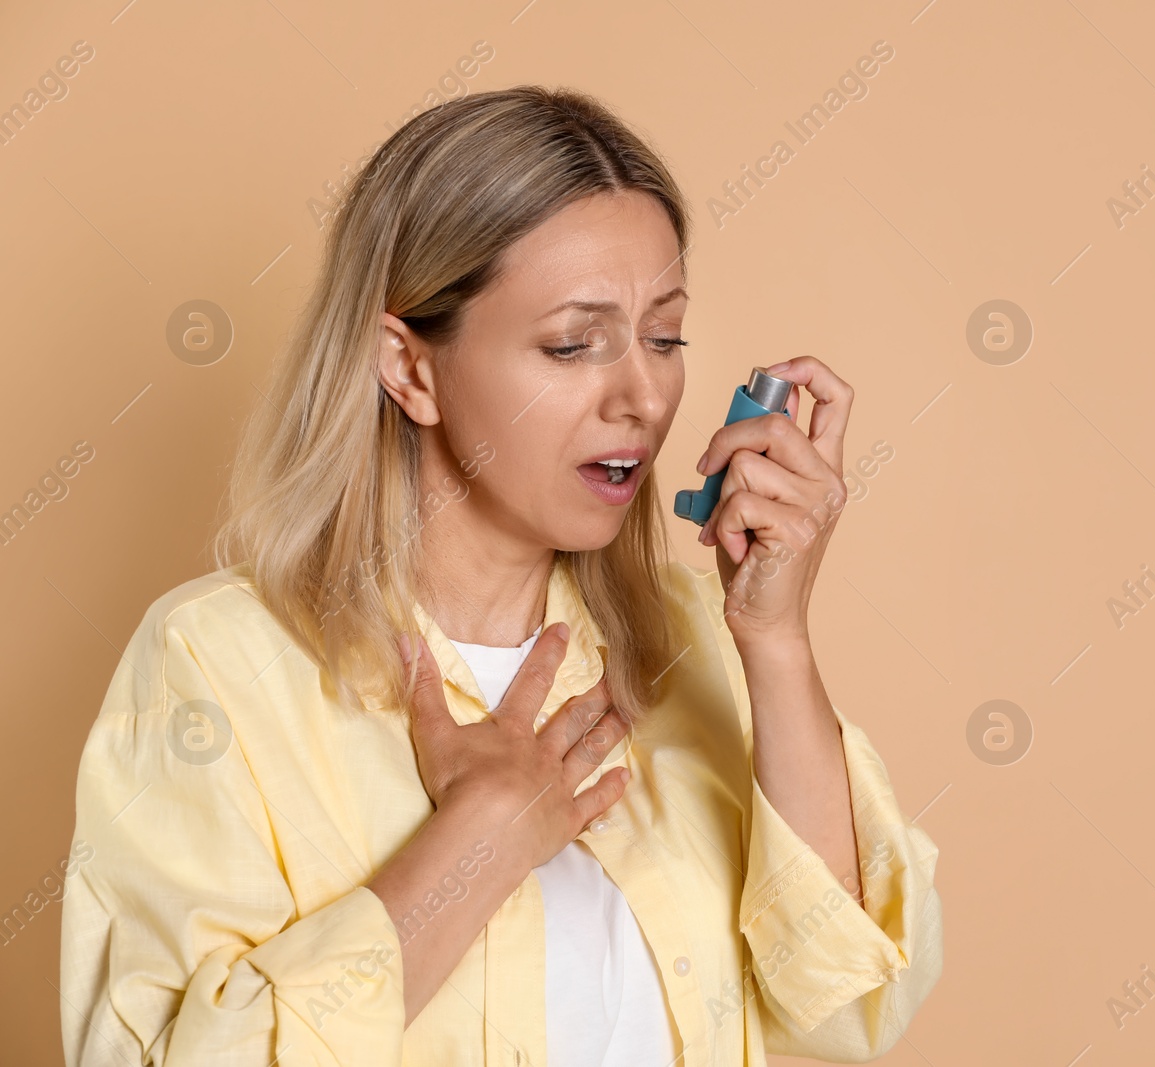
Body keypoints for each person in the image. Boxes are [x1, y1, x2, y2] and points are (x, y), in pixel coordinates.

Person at [58, 85, 942, 1066]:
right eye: (572, 343)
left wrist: (774, 642)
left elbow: (846, 1010)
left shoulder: (698, 643)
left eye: (664, 336)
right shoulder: (217, 664)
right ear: (410, 368)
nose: (644, 397)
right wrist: (472, 847)